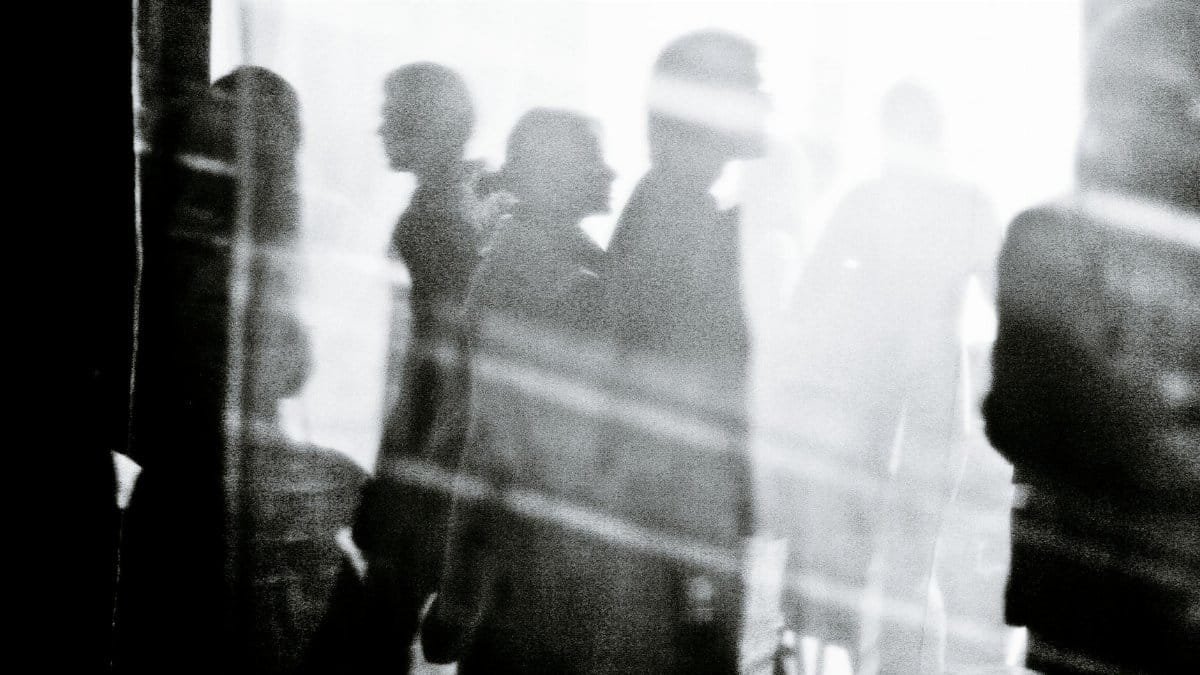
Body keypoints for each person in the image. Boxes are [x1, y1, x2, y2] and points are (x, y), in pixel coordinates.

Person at [983, 3, 1199, 672]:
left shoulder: (1045, 233)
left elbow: (1014, 417)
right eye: (1175, 101)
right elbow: (1018, 416)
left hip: (1087, 590)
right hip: (1109, 592)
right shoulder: (1049, 237)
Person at [776, 81, 999, 671]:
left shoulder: (867, 202)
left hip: (869, 407)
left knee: (853, 567)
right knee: (909, 568)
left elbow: (808, 299)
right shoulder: (965, 204)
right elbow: (1009, 308)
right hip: (919, 409)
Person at [588, 30, 767, 673]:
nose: (767, 100)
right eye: (752, 86)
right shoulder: (684, 217)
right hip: (679, 509)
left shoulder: (674, 205)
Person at [116, 66, 304, 674]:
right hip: (218, 472)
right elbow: (283, 361)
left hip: (178, 466)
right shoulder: (239, 253)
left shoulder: (168, 240)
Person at [419, 107, 614, 672]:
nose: (611, 172)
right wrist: (458, 589)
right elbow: (485, 440)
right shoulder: (548, 279)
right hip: (532, 569)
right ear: (553, 175)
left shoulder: (543, 265)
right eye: (594, 158)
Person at [351, 62, 483, 674]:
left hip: (424, 462)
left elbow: (435, 365)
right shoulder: (447, 205)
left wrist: (402, 479)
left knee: (380, 633)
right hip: (429, 456)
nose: (380, 127)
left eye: (393, 114)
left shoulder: (435, 219)